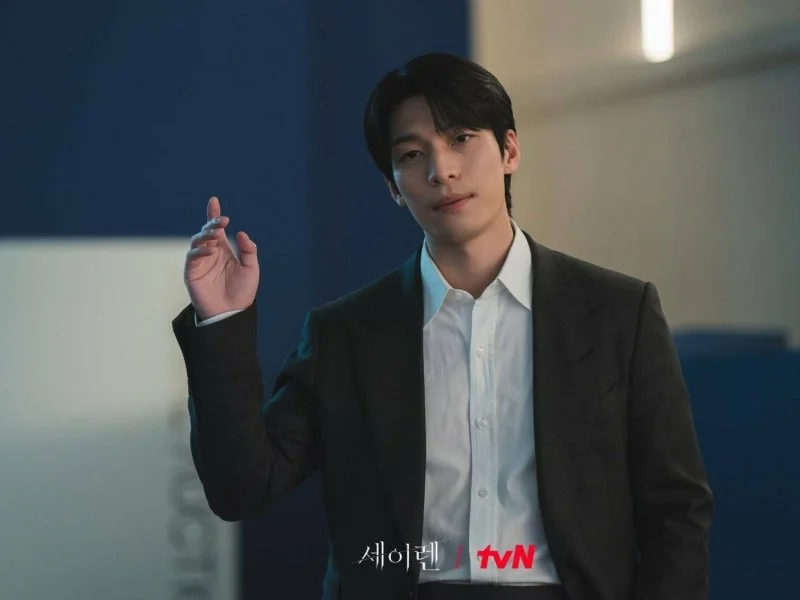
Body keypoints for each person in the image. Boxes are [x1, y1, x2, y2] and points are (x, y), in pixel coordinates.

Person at [171, 53, 713, 600]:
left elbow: (676, 509)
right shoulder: (346, 334)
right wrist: (221, 320)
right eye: (412, 154)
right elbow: (243, 489)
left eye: (461, 139)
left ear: (509, 150)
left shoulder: (618, 313)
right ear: (393, 186)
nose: (441, 170)